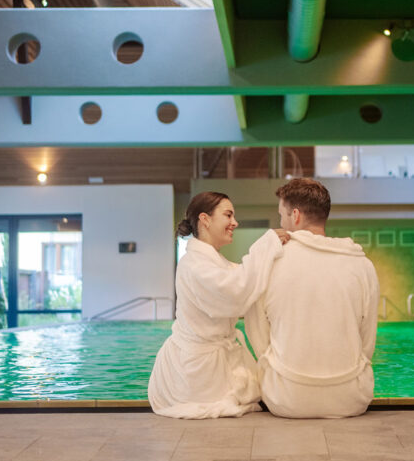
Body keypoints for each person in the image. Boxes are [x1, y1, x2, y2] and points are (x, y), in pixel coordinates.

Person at [148, 191, 289, 419]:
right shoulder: (194, 264)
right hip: (196, 370)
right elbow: (235, 293)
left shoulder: (214, 262)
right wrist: (265, 246)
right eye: (228, 215)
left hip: (217, 358)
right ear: (205, 219)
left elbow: (244, 279)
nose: (235, 222)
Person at [246, 179, 380, 419]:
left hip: (285, 397)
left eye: (281, 216)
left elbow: (257, 335)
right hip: (351, 397)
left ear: (295, 215)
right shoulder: (362, 265)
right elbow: (367, 340)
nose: (281, 224)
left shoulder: (271, 262)